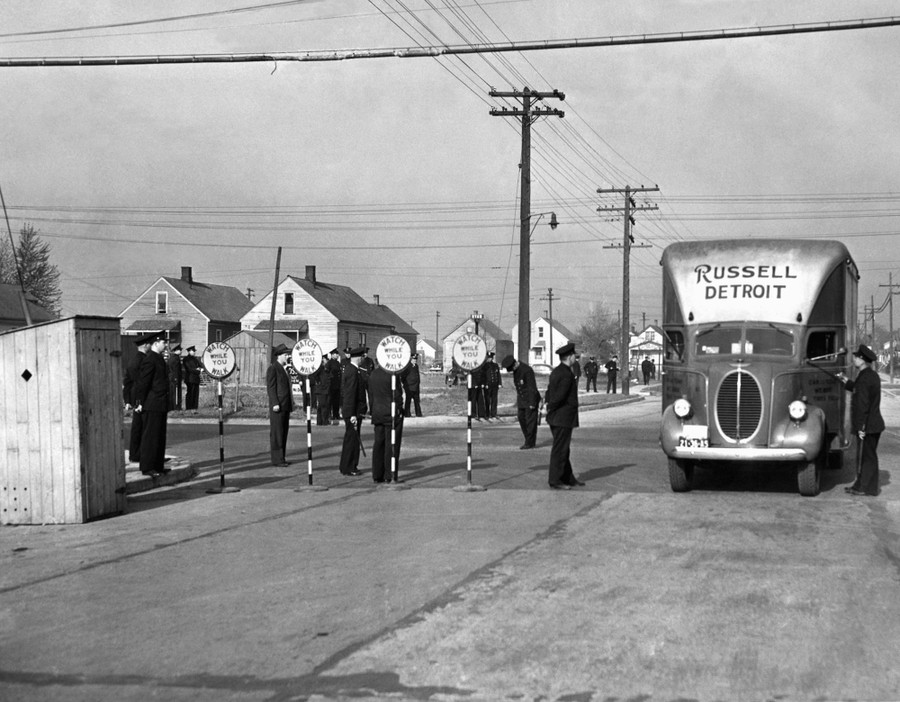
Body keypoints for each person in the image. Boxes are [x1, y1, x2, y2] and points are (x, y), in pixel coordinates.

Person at [838, 344, 885, 496]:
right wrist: (846, 382)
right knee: (868, 456)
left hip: (868, 426)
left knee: (866, 458)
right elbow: (859, 390)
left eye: (857, 357)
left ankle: (864, 487)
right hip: (873, 424)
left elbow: (863, 404)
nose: (855, 359)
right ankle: (866, 487)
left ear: (863, 360)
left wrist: (862, 428)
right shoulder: (869, 376)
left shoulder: (865, 379)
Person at [545, 342, 584, 490]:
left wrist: (547, 405)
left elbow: (549, 391)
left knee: (564, 448)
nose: (576, 358)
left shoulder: (557, 371)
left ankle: (568, 477)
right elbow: (559, 397)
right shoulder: (566, 374)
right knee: (560, 449)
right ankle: (555, 480)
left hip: (557, 417)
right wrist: (549, 407)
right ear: (569, 357)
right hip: (562, 417)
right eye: (574, 356)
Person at [133, 333, 171, 477]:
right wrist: (139, 402)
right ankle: (148, 467)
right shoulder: (150, 360)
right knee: (150, 437)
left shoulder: (158, 358)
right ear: (155, 343)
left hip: (160, 403)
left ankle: (158, 466)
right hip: (152, 403)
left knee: (159, 436)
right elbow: (143, 383)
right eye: (163, 342)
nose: (165, 345)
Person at [369, 365, 405, 483]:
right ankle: (390, 474)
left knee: (378, 444)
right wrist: (400, 408)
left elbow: (371, 394)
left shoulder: (373, 374)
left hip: (377, 412)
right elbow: (397, 395)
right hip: (391, 413)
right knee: (392, 445)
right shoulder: (393, 374)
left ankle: (377, 474)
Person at [338, 346, 367, 476]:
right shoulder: (352, 371)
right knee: (351, 440)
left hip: (354, 411)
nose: (364, 359)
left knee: (353, 439)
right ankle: (348, 467)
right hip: (353, 413)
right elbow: (350, 394)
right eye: (363, 356)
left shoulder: (353, 370)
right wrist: (352, 414)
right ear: (359, 358)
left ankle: (349, 465)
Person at [501, 354, 541, 449]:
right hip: (522, 400)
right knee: (521, 418)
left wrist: (532, 403)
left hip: (530, 399)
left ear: (514, 365)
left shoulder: (527, 370)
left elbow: (532, 387)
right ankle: (528, 439)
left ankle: (530, 442)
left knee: (530, 422)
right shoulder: (517, 371)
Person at [123, 334, 151, 463]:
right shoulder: (145, 360)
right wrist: (140, 401)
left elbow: (127, 382)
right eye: (150, 344)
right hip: (143, 398)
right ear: (145, 345)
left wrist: (128, 400)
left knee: (137, 427)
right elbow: (142, 383)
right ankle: (140, 455)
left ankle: (135, 454)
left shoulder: (133, 360)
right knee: (143, 428)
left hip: (135, 398)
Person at [266, 343, 295, 467]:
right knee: (277, 433)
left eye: (288, 354)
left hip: (285, 406)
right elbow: (271, 388)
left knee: (283, 432)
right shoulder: (273, 368)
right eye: (285, 354)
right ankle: (277, 459)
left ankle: (281, 457)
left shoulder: (284, 369)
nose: (288, 356)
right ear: (279, 356)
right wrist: (275, 403)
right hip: (278, 406)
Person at [314, 355, 332, 426]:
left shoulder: (327, 368)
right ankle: (322, 421)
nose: (326, 361)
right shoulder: (320, 368)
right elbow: (315, 375)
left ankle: (323, 421)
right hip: (321, 390)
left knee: (325, 406)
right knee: (322, 405)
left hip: (327, 390)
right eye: (325, 359)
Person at [483, 351, 502, 419]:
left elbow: (498, 375)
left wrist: (499, 383)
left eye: (491, 358)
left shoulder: (495, 365)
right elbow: (483, 376)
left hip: (495, 385)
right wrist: (485, 384)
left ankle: (494, 413)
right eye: (488, 358)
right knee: (487, 400)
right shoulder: (484, 366)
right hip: (488, 385)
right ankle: (487, 413)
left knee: (494, 400)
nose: (489, 359)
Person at [183, 346, 202, 411]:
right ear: (189, 351)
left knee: (195, 394)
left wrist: (198, 369)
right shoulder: (186, 359)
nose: (194, 352)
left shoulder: (195, 359)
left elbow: (201, 366)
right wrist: (197, 370)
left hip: (196, 379)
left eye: (194, 351)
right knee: (190, 394)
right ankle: (189, 407)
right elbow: (189, 369)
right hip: (190, 379)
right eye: (193, 351)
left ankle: (194, 407)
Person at [327, 348, 342, 422]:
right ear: (332, 355)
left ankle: (336, 414)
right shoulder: (329, 363)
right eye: (336, 354)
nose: (337, 355)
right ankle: (330, 414)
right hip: (331, 384)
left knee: (337, 401)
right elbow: (327, 373)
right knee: (330, 400)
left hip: (337, 385)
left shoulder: (338, 363)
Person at [359, 346, 375, 415]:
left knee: (371, 396)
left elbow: (372, 370)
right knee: (362, 397)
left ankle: (371, 411)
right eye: (364, 353)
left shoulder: (370, 360)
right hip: (362, 380)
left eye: (366, 353)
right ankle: (363, 411)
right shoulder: (360, 361)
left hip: (369, 381)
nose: (365, 354)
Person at [167, 345, 183, 410]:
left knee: (172, 392)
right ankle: (176, 406)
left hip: (171, 377)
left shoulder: (171, 358)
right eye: (180, 350)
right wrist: (176, 378)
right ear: (176, 350)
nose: (181, 351)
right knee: (175, 392)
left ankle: (173, 406)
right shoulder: (176, 358)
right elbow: (176, 369)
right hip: (175, 378)